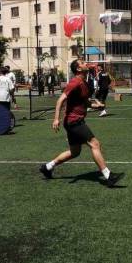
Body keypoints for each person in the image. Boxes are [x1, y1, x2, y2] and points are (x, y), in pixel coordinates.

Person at [39, 59, 123, 187]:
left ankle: (47, 167)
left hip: (74, 121)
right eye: (83, 63)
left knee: (75, 152)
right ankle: (108, 176)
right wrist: (56, 119)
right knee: (95, 144)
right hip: (74, 121)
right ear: (78, 69)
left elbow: (86, 102)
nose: (86, 63)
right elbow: (60, 100)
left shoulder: (83, 82)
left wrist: (97, 106)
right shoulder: (75, 82)